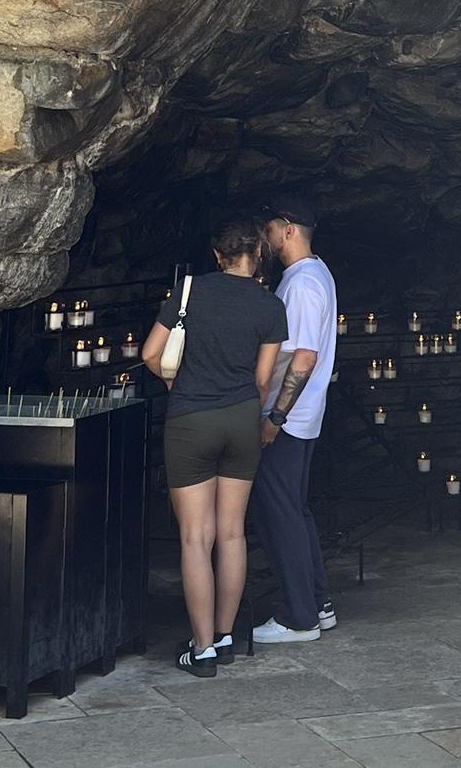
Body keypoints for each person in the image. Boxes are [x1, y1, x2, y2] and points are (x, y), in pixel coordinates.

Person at [142, 217, 287, 678]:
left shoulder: (189, 294)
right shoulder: (269, 306)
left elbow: (150, 353)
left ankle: (201, 649)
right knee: (231, 534)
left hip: (191, 418)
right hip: (243, 419)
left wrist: (177, 385)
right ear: (259, 254)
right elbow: (264, 380)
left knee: (195, 537)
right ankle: (225, 636)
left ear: (217, 256)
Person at [250, 192, 339, 644]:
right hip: (303, 416)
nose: (263, 240)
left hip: (288, 417)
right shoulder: (315, 274)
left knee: (280, 513)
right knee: (296, 511)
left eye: (267, 230)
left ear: (287, 228)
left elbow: (302, 356)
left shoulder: (302, 283)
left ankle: (297, 617)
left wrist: (274, 417)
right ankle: (317, 603)